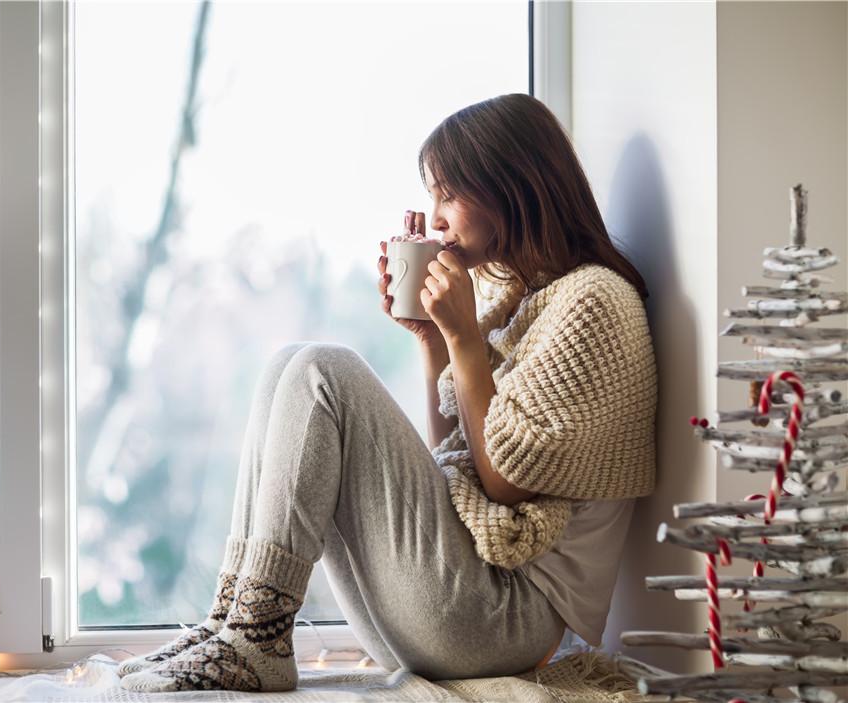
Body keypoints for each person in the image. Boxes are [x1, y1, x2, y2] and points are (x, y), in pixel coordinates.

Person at [118, 93, 657, 694]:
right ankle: (236, 620)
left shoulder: (594, 303)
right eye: (433, 196)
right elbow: (460, 458)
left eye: (449, 194)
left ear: (514, 187)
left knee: (326, 369)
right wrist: (434, 340)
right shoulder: (524, 303)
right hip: (462, 613)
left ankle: (256, 637)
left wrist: (464, 338)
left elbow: (506, 483)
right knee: (285, 368)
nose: (438, 217)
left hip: (510, 619)